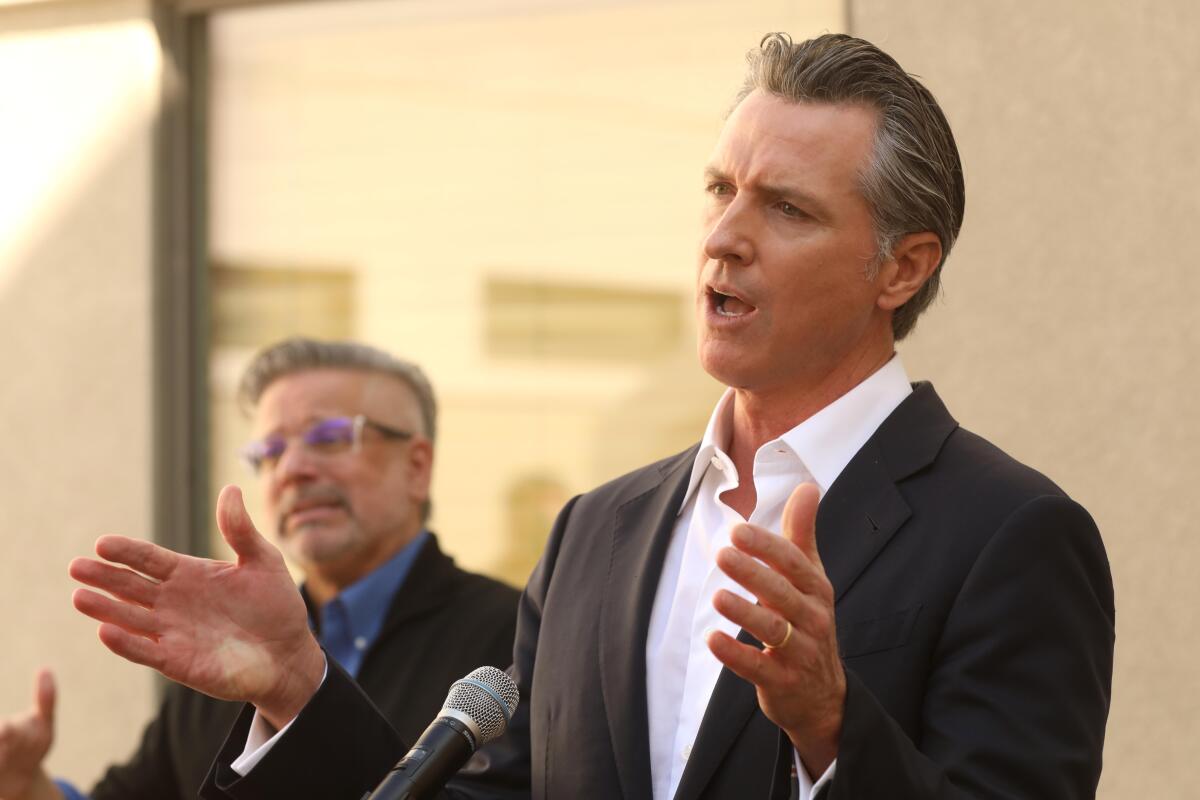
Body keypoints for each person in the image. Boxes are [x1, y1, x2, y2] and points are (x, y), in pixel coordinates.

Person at [67, 33, 1114, 800]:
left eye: (786, 207)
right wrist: (301, 688)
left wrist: (831, 727)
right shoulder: (596, 531)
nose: (724, 238)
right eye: (718, 190)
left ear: (903, 265)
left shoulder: (1010, 533)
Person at [0, 339, 519, 800]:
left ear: (417, 467)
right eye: (270, 451)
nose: (292, 469)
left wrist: (297, 689)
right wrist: (26, 787)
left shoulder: (515, 640)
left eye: (331, 436)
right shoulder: (228, 646)